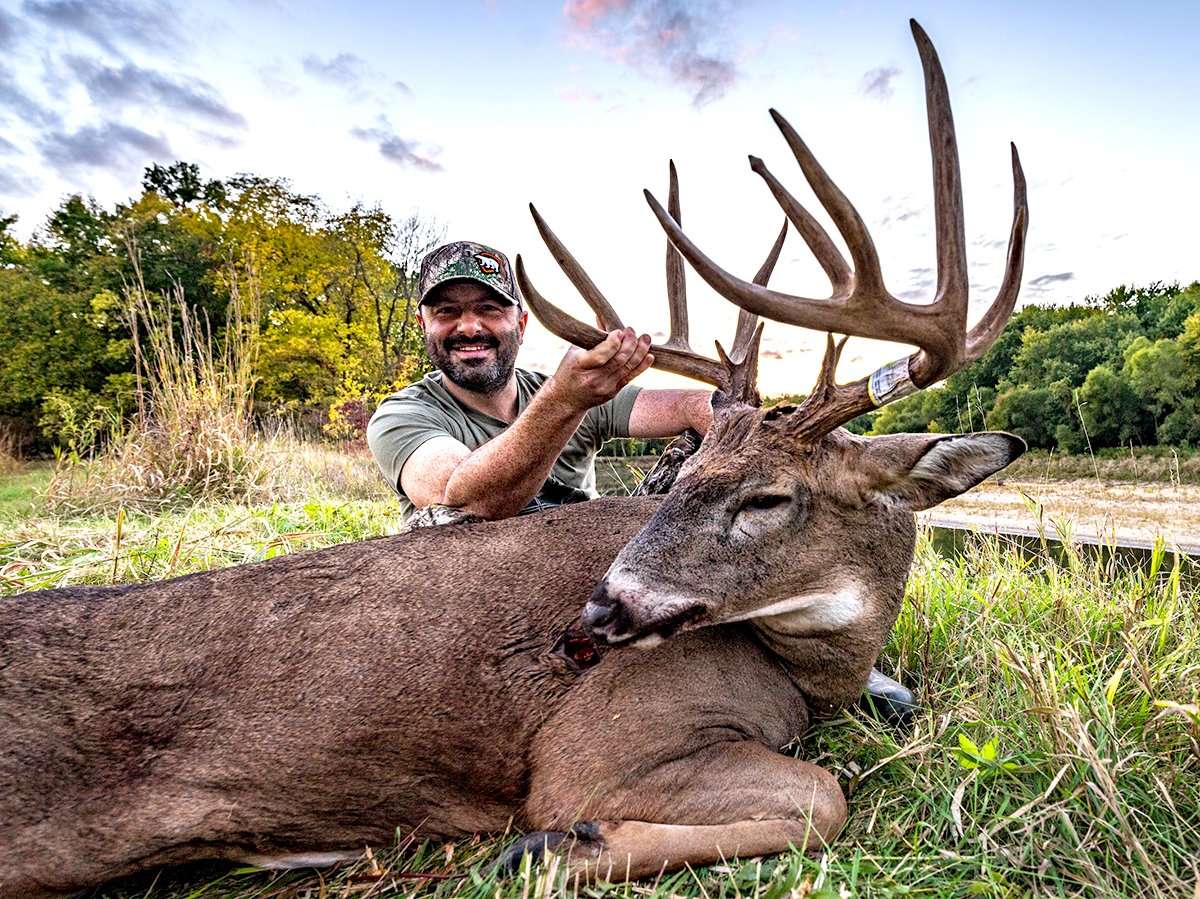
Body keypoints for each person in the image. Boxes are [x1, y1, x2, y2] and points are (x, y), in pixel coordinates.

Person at [367, 241, 713, 523]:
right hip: (474, 586)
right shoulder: (403, 416)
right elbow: (462, 503)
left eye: (489, 308)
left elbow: (691, 406)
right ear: (422, 325)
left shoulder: (578, 391)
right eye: (447, 311)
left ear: (520, 325)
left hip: (588, 570)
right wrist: (565, 401)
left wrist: (746, 425)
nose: (469, 327)